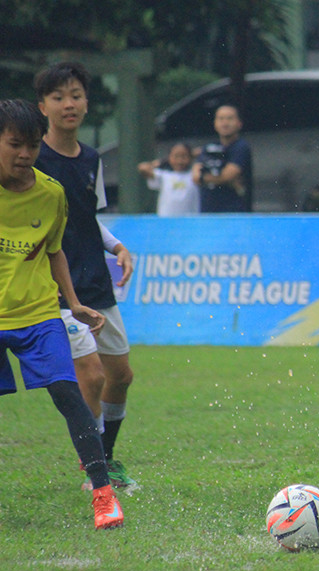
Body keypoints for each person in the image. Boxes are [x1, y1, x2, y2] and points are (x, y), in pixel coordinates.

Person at [0, 98, 124, 529]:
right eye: (15, 144)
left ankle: (104, 495)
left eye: (32, 146)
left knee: (69, 394)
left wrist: (72, 303)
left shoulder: (51, 194)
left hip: (38, 315)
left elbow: (54, 253)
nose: (25, 154)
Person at [34, 61, 139, 492]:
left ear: (86, 102)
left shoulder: (91, 159)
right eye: (58, 97)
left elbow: (86, 217)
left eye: (75, 94)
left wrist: (116, 247)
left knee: (121, 377)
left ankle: (107, 458)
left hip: (97, 282)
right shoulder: (32, 159)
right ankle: (93, 470)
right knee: (91, 377)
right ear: (42, 106)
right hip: (58, 286)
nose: (68, 104)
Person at [191, 104, 253, 212]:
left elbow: (227, 176)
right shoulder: (208, 148)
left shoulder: (241, 147)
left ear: (239, 123)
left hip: (234, 212)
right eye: (221, 119)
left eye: (230, 118)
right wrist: (225, 181)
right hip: (208, 212)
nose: (225, 123)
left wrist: (204, 177)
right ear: (215, 124)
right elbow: (195, 176)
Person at [137, 142, 200, 216]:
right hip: (166, 220)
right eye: (176, 156)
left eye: (184, 156)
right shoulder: (164, 175)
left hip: (189, 220)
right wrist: (163, 161)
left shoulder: (194, 175)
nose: (180, 161)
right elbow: (143, 168)